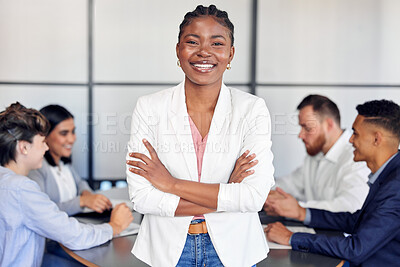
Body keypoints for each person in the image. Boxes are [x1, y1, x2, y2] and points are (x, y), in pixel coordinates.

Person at [125, 5, 274, 267]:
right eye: (192, 42)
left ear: (231, 54)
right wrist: (227, 192)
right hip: (166, 251)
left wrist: (170, 184)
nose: (204, 52)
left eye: (217, 43)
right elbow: (142, 198)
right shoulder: (149, 107)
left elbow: (254, 197)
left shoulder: (251, 109)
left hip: (234, 249)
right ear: (178, 50)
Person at [265, 99, 400, 266]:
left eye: (355, 133)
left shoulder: (395, 186)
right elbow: (357, 221)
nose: (350, 140)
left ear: (376, 139)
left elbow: (356, 248)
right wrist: (303, 213)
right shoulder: (388, 174)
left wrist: (291, 238)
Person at [0, 102, 133, 267]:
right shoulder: (22, 188)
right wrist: (115, 226)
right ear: (24, 147)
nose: (46, 148)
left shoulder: (7, 181)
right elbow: (73, 236)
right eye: (42, 142)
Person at [264, 95, 369, 215]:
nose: (300, 135)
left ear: (329, 125)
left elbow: (351, 206)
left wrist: (298, 209)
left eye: (307, 128)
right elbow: (289, 184)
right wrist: (261, 193)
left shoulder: (356, 157)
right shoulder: (315, 156)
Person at [29, 104, 112, 215]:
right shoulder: (36, 168)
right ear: (45, 135)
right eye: (64, 133)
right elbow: (41, 211)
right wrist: (82, 201)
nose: (72, 139)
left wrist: (86, 193)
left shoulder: (63, 163)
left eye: (73, 132)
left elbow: (80, 183)